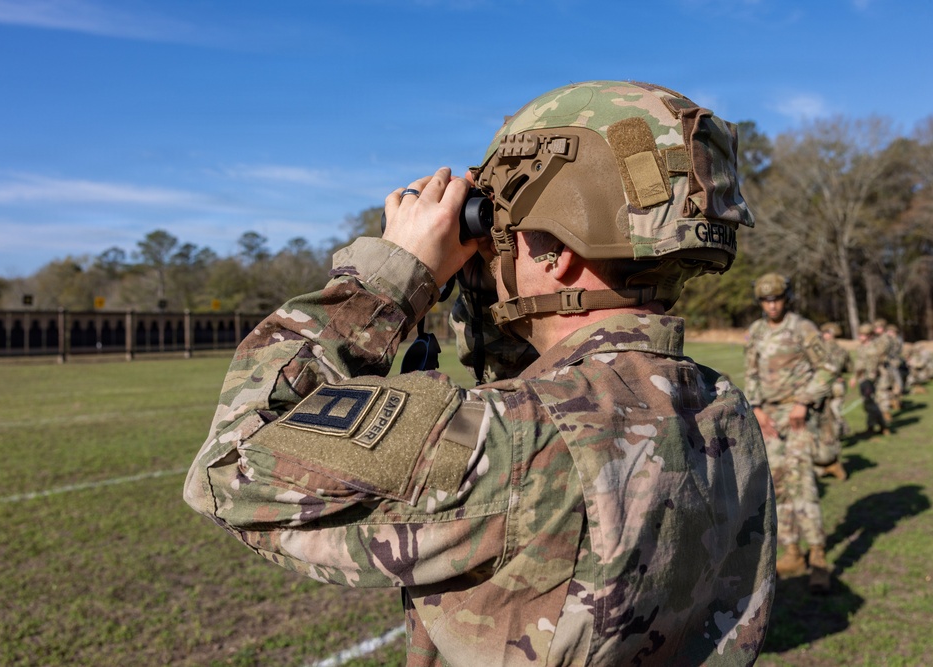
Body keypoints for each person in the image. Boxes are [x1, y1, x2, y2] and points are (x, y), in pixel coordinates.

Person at [184, 80, 776, 666]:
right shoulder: (721, 407)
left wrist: (391, 277)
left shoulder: (521, 438)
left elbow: (233, 467)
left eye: (502, 232)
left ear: (557, 253)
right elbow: (535, 391)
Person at [744, 273, 835, 593]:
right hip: (768, 417)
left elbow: (829, 367)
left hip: (797, 416)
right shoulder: (755, 331)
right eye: (766, 300)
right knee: (778, 486)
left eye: (777, 299)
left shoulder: (802, 328)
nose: (772, 305)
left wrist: (803, 401)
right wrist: (755, 407)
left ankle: (819, 558)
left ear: (787, 297)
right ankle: (793, 552)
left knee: (804, 484)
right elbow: (752, 372)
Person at [815, 322, 849, 481]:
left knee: (829, 425)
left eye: (826, 332)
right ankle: (823, 463)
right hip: (830, 387)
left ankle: (831, 462)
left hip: (826, 388)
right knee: (830, 423)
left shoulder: (823, 348)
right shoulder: (841, 349)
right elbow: (848, 368)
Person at [852, 323, 892, 435]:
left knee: (875, 403)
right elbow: (859, 364)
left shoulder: (875, 347)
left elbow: (874, 366)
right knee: (869, 403)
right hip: (865, 378)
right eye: (859, 335)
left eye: (863, 335)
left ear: (869, 336)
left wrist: (870, 379)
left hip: (874, 379)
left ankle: (881, 426)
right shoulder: (861, 348)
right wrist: (854, 377)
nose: (860, 337)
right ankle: (875, 427)